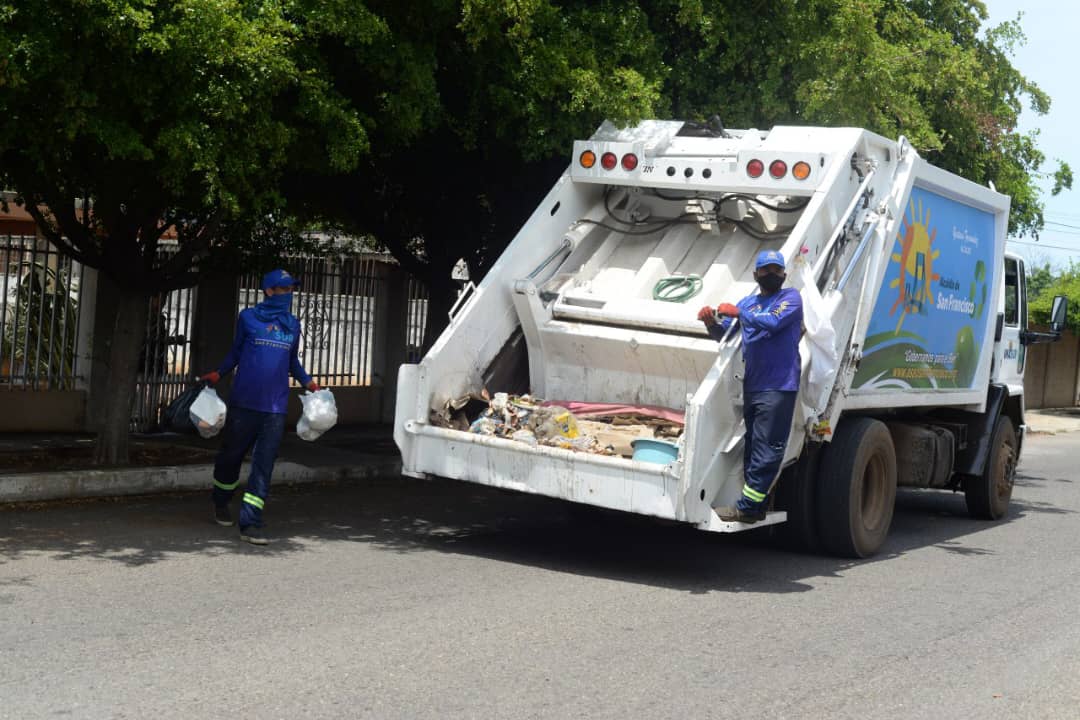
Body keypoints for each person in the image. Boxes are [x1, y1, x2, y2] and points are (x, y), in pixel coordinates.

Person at [199, 269, 319, 545]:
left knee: (263, 466)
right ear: (268, 291)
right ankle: (220, 499)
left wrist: (309, 383)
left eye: (291, 290)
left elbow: (292, 363)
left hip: (275, 408)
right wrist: (219, 373)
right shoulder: (248, 318)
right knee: (231, 456)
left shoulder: (293, 325)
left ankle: (251, 522)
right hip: (245, 403)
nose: (287, 295)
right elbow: (237, 352)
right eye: (282, 290)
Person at [697, 249, 803, 523]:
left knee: (767, 448)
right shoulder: (749, 303)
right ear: (755, 275)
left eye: (776, 270)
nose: (771, 275)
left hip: (779, 385)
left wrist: (740, 312)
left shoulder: (790, 298)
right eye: (765, 270)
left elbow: (775, 321)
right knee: (754, 445)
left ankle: (748, 508)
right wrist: (711, 324)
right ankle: (753, 504)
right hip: (754, 385)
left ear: (784, 274)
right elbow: (728, 336)